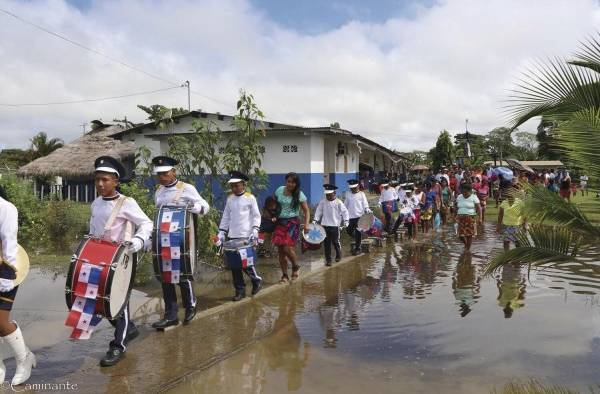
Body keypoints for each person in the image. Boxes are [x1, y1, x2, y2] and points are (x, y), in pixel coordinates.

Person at [90, 156, 153, 367]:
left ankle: (118, 346)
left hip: (121, 259)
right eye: (98, 179)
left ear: (116, 181)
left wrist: (139, 240)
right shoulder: (96, 203)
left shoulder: (127, 203)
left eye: (105, 179)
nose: (100, 184)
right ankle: (129, 328)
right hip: (100, 259)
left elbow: (146, 223)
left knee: (120, 302)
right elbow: (93, 232)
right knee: (105, 301)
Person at [151, 156, 210, 329]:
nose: (162, 177)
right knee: (166, 276)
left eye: (165, 173)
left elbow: (204, 206)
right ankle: (170, 315)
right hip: (163, 239)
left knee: (182, 272)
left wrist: (196, 208)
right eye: (159, 174)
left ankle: (190, 306)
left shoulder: (186, 188)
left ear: (173, 172)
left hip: (182, 238)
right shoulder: (159, 192)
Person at [0, 186, 35, 385]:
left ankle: (25, 359)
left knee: (1, 321)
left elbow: (9, 241)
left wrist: (7, 276)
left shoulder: (5, 208)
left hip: (5, 269)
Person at [217, 171, 263, 301]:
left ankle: (256, 280)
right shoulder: (230, 199)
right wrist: (221, 232)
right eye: (232, 186)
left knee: (245, 263)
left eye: (237, 185)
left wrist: (255, 230)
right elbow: (226, 216)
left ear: (243, 184)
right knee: (234, 265)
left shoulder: (250, 197)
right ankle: (240, 291)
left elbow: (256, 215)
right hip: (232, 236)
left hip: (246, 236)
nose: (234, 188)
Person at [272, 173, 310, 283]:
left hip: (292, 223)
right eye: (288, 181)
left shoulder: (299, 195)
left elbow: (306, 211)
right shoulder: (279, 190)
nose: (290, 184)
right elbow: (273, 204)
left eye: (293, 182)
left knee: (286, 248)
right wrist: (272, 215)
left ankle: (295, 266)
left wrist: (307, 224)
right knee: (280, 251)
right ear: (285, 181)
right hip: (279, 223)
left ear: (296, 184)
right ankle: (284, 275)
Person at [314, 184, 349, 266]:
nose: (328, 196)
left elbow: (345, 212)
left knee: (336, 242)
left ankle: (338, 255)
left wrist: (346, 220)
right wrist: (315, 220)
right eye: (326, 195)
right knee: (326, 244)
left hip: (335, 226)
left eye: (329, 195)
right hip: (325, 225)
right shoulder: (323, 202)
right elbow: (319, 211)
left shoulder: (338, 202)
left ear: (334, 193)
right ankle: (328, 260)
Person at [343, 179, 371, 255]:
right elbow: (345, 204)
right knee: (349, 230)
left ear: (358, 186)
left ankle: (358, 248)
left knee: (358, 231)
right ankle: (358, 238)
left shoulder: (362, 194)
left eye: (354, 187)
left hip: (359, 216)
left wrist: (367, 209)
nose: (352, 189)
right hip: (350, 217)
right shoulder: (348, 194)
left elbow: (365, 204)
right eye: (351, 188)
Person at [453, 183, 482, 252]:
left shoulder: (474, 197)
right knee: (460, 235)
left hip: (470, 218)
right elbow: (456, 207)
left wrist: (480, 218)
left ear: (470, 191)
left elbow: (479, 208)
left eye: (466, 192)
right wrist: (454, 216)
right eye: (463, 192)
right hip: (460, 218)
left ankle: (467, 250)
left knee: (469, 234)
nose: (464, 193)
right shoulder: (459, 197)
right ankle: (466, 244)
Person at [496, 185, 525, 251]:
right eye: (508, 195)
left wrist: (525, 224)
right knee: (506, 242)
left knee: (518, 242)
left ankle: (519, 256)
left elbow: (525, 214)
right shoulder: (504, 202)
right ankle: (507, 256)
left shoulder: (520, 202)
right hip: (506, 225)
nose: (509, 196)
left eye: (511, 194)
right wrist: (498, 225)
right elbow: (500, 215)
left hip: (517, 225)